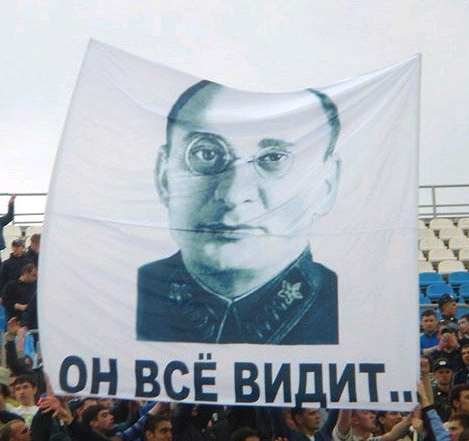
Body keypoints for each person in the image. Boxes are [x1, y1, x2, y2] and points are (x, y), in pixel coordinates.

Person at [137, 80, 342, 344]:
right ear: (164, 177)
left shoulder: (354, 308)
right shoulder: (120, 296)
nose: (232, 195)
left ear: (326, 186)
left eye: (274, 158)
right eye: (206, 154)